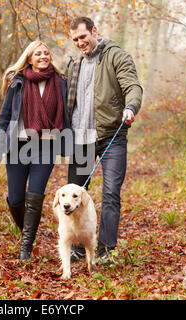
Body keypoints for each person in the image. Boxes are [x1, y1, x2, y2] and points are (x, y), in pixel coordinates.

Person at [66, 17, 143, 264]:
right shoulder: (73, 64)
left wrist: (131, 107)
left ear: (94, 31)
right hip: (81, 139)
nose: (80, 42)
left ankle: (106, 251)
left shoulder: (116, 57)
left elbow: (133, 86)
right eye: (75, 39)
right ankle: (78, 248)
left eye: (83, 36)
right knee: (74, 195)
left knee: (110, 193)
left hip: (112, 136)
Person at [0, 40, 69, 261]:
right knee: (15, 198)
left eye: (46, 53)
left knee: (34, 196)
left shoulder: (61, 82)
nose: (43, 56)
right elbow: (4, 117)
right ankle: (28, 232)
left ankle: (25, 250)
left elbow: (68, 114)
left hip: (46, 146)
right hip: (18, 146)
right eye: (38, 54)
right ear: (29, 58)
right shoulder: (18, 83)